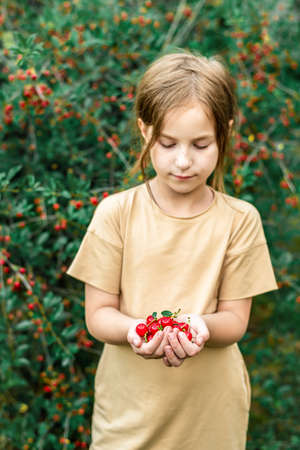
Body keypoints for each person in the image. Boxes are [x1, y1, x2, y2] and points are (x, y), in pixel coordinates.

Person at [66, 50, 278, 450]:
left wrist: (200, 327)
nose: (183, 161)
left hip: (211, 414)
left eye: (200, 144)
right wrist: (135, 331)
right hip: (129, 415)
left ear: (224, 134)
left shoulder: (240, 219)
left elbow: (234, 321)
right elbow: (98, 315)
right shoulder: (116, 213)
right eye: (167, 143)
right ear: (146, 133)